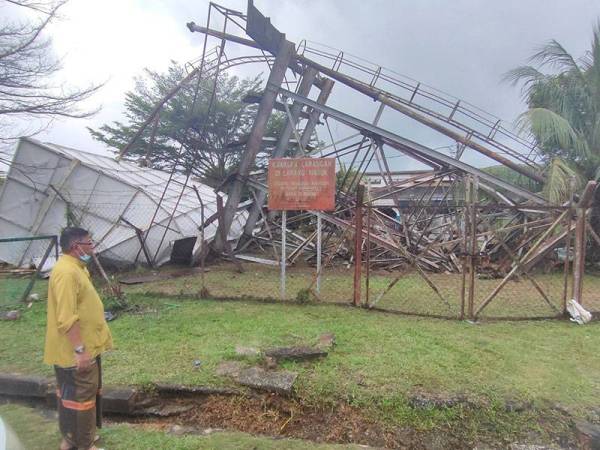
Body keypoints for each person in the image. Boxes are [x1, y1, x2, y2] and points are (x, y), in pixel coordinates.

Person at [44, 227, 112, 450]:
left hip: (86, 346)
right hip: (75, 351)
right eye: (89, 243)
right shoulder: (66, 273)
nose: (92, 247)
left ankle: (72, 439)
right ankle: (84, 445)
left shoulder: (76, 267)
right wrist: (80, 350)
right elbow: (66, 317)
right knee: (81, 400)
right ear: (76, 246)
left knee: (74, 396)